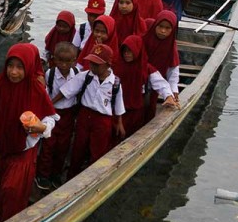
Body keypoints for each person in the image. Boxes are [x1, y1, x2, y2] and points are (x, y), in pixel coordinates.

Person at [0, 44, 58, 222]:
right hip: (2, 151)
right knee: (0, 194)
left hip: (23, 153)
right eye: (10, 66)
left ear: (29, 67)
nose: (13, 72)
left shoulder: (36, 89)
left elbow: (50, 118)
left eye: (19, 67)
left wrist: (42, 128)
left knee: (12, 192)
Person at [52, 44, 125, 179]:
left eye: (97, 64)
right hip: (84, 116)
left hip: (103, 121)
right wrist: (50, 104)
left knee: (98, 150)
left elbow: (118, 104)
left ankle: (93, 178)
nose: (92, 66)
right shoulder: (86, 76)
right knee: (78, 147)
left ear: (108, 65)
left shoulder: (115, 83)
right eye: (91, 63)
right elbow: (66, 91)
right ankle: (71, 176)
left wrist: (119, 122)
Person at [113, 35, 179, 137]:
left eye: (130, 51)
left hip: (136, 111)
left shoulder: (146, 69)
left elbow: (161, 84)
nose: (126, 54)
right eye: (124, 51)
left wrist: (168, 96)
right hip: (117, 109)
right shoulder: (117, 66)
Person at [35, 42, 79, 190]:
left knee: (63, 146)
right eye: (60, 60)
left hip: (68, 114)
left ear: (74, 60)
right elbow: (45, 94)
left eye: (68, 61)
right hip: (54, 113)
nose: (64, 64)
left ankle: (56, 174)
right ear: (54, 60)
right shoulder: (51, 74)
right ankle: (42, 175)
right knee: (49, 145)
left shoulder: (77, 74)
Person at [143, 10, 181, 122]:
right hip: (140, 79)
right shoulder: (145, 39)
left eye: (168, 28)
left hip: (155, 86)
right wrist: (166, 92)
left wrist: (173, 90)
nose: (163, 31)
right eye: (160, 26)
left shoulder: (170, 46)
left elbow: (173, 68)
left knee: (149, 109)